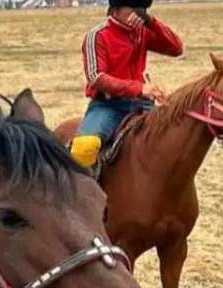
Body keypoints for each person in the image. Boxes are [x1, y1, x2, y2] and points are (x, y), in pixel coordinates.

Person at [70, 0, 184, 169]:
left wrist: (151, 22)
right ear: (116, 9)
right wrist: (139, 88)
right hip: (108, 106)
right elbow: (96, 77)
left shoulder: (142, 31)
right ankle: (83, 193)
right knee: (84, 147)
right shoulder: (97, 35)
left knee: (174, 142)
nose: (138, 13)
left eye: (142, 9)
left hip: (142, 105)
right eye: (134, 8)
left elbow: (176, 48)